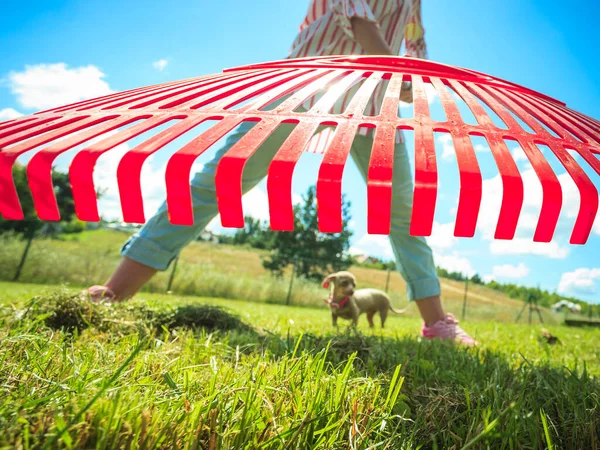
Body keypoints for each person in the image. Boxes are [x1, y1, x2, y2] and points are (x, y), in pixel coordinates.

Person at [87, 0, 477, 345]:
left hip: (375, 101)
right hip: (310, 83)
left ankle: (436, 324)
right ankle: (113, 294)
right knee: (222, 180)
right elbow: (358, 17)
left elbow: (413, 39)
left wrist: (416, 67)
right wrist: (402, 73)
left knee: (402, 214)